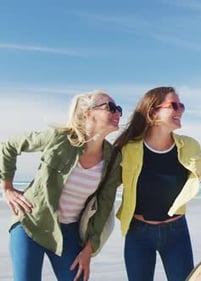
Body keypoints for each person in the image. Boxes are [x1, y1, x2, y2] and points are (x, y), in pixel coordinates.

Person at [0, 90, 123, 281]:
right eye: (111, 107)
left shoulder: (113, 158)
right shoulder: (58, 138)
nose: (118, 113)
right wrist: (7, 187)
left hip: (69, 233)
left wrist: (88, 250)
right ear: (87, 113)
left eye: (119, 109)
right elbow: (8, 147)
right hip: (32, 223)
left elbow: (105, 206)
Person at [113, 86, 201, 281]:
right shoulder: (128, 148)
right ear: (153, 112)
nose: (180, 110)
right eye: (174, 105)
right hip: (138, 233)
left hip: (176, 233)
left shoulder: (190, 146)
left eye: (181, 106)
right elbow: (105, 186)